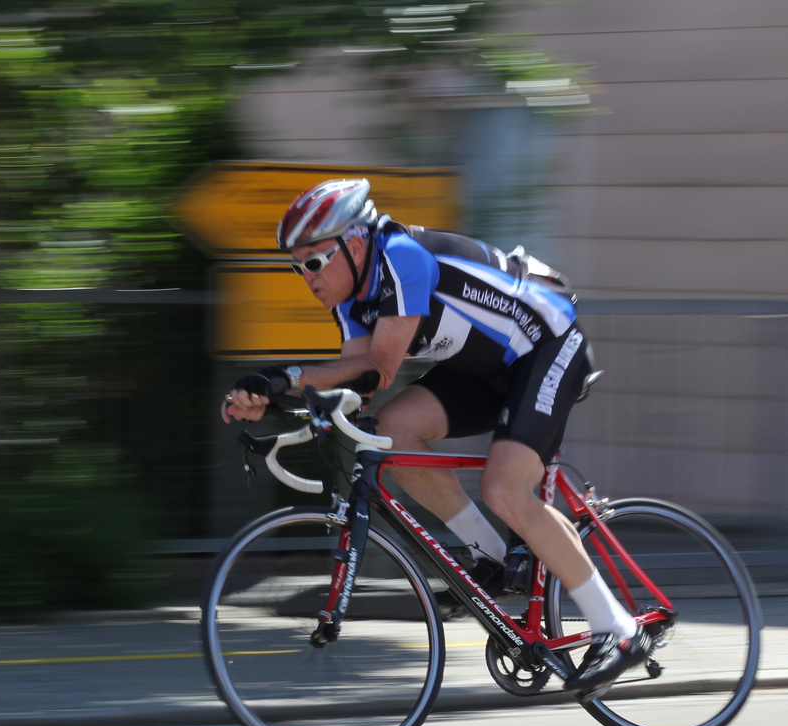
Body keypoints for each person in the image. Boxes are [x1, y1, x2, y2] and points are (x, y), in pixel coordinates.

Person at [219, 177, 649, 699]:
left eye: (313, 262)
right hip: (483, 368)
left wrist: (281, 378)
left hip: (547, 345)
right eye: (297, 266)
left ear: (354, 243)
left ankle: (621, 631)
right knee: (389, 436)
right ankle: (490, 554)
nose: (306, 277)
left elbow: (376, 367)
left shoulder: (400, 258)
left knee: (506, 488)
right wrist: (271, 397)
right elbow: (358, 385)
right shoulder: (351, 296)